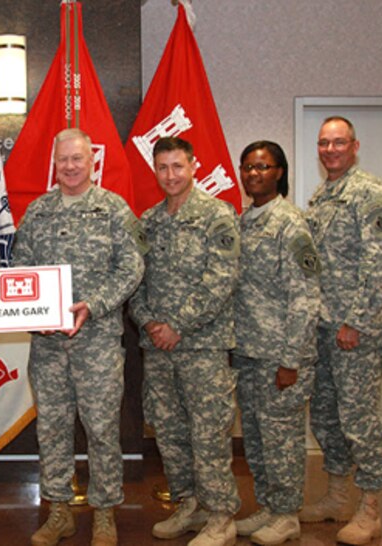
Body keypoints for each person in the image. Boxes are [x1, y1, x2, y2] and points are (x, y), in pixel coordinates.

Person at [14, 128, 145, 546]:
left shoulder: (114, 210)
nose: (70, 166)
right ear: (55, 163)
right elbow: (21, 271)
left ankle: (104, 511)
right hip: (49, 346)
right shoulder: (37, 212)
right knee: (52, 428)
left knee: (102, 428)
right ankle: (59, 511)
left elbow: (132, 268)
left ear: (93, 162)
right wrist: (34, 313)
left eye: (78, 159)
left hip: (98, 342)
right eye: (63, 159)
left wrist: (95, 303)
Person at [129, 137, 241, 546]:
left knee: (208, 432)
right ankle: (189, 504)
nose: (171, 175)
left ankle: (221, 517)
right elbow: (135, 282)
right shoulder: (149, 221)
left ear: (193, 166)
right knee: (171, 432)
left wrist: (177, 323)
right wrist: (149, 322)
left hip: (202, 347)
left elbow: (221, 281)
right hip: (158, 348)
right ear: (154, 170)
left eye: (178, 166)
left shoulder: (216, 216)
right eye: (163, 167)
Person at [299, 117, 382, 545]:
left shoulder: (369, 193)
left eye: (338, 142)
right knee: (325, 416)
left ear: (354, 146)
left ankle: (370, 507)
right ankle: (337, 496)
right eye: (324, 143)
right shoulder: (322, 197)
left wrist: (355, 322)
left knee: (359, 419)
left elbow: (380, 266)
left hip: (353, 332)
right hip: (321, 329)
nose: (330, 149)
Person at [231, 141, 320, 545]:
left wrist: (291, 360)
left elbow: (304, 297)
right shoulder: (244, 221)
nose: (253, 174)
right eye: (248, 166)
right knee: (257, 436)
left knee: (282, 439)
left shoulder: (291, 223)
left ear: (279, 172)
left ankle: (287, 514)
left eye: (263, 167)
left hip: (281, 356)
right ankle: (268, 504)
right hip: (248, 352)